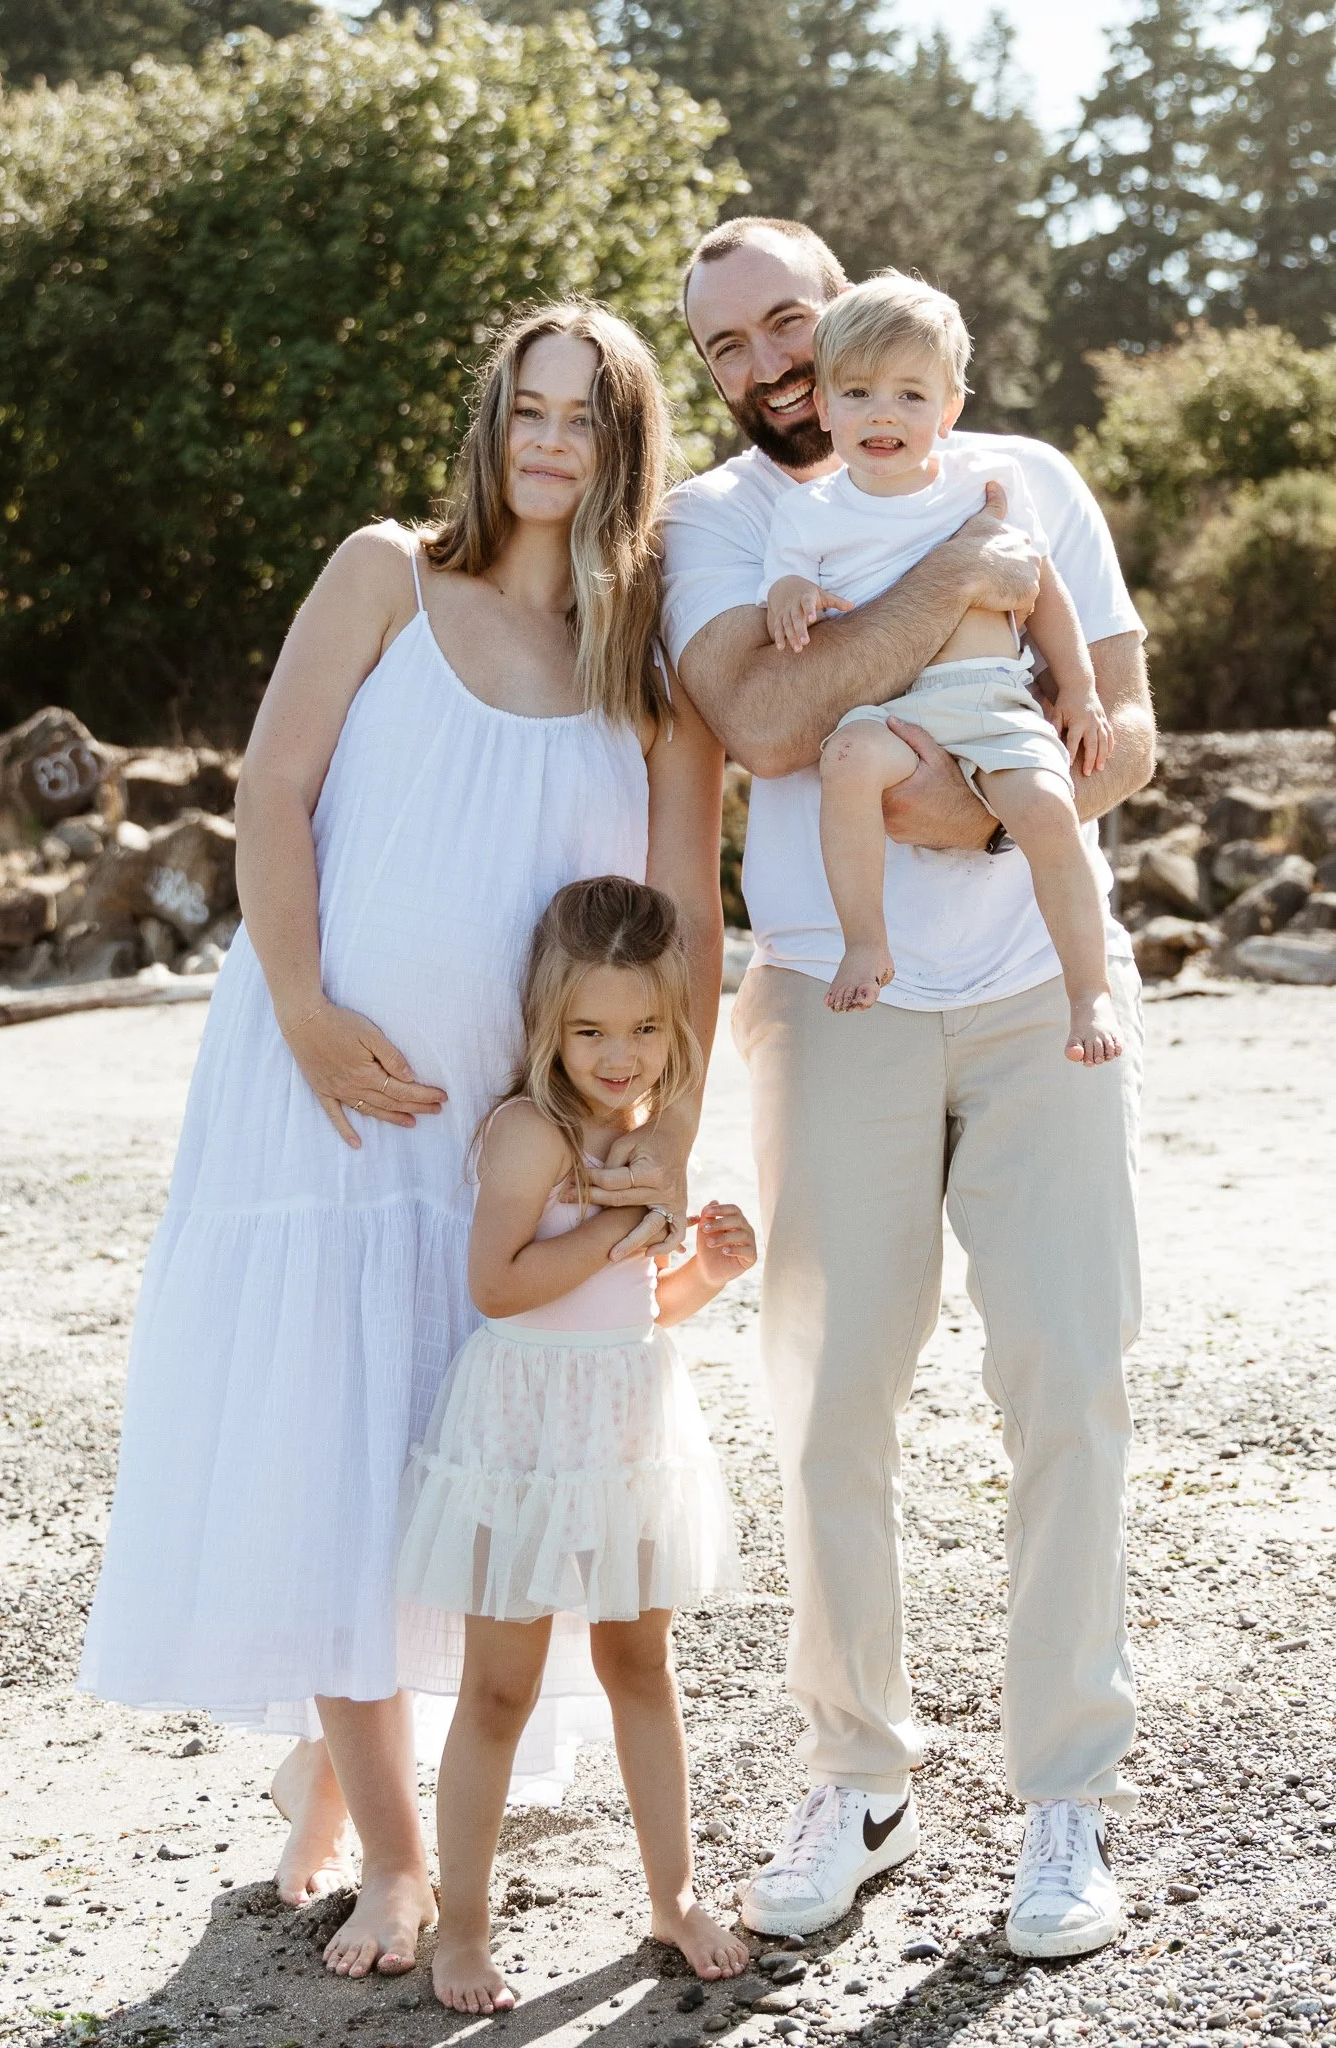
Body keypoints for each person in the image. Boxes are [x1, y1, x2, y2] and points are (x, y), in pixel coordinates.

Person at [78, 304, 726, 1981]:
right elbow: (273, 790)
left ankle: (348, 1778)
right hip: (334, 1090)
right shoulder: (383, 570)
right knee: (337, 1450)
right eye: (527, 405)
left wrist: (666, 1146)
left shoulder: (643, 662)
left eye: (586, 416)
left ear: (625, 445)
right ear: (491, 420)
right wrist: (298, 1001)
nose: (548, 439)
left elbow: (681, 927)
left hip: (526, 1131)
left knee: (467, 1459)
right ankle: (395, 1856)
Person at [663, 218, 1154, 1959]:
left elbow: (1131, 733)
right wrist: (947, 591)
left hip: (1038, 996)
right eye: (728, 345)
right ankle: (858, 1776)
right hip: (833, 992)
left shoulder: (1027, 469)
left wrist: (991, 809)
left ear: (858, 314)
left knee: (1069, 1393)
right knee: (829, 1406)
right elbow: (777, 722)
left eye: (788, 318)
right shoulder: (721, 522)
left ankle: (1065, 1800)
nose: (772, 363)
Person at [397, 877, 755, 2011]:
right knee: (500, 1686)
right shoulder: (529, 1134)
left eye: (646, 1028)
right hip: (522, 1430)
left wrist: (711, 1268)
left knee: (641, 1661)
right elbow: (499, 1287)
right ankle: (461, 1928)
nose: (621, 1053)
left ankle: (673, 1892)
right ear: (549, 1019)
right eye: (593, 1028)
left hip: (626, 1421)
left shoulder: (647, 1134)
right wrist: (611, 1227)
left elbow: (642, 1301)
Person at [763, 272, 1120, 1066]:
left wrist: (1082, 685)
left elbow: (1043, 587)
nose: (881, 413)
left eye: (910, 396)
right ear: (822, 407)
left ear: (949, 411)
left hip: (992, 699)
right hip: (894, 711)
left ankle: (1086, 988)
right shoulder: (808, 512)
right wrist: (789, 591)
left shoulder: (982, 487)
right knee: (846, 763)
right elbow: (784, 582)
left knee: (1047, 809)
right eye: (856, 393)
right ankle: (865, 942)